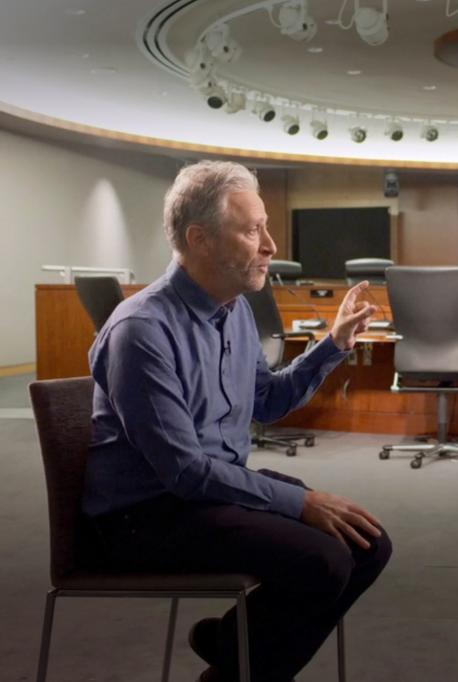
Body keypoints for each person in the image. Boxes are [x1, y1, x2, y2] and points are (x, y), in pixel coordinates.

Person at [82, 160, 391, 682]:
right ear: (199, 239)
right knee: (325, 561)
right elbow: (182, 472)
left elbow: (266, 401)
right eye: (252, 230)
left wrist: (333, 346)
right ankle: (236, 659)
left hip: (209, 494)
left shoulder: (234, 310)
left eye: (265, 227)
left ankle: (231, 650)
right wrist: (302, 502)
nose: (271, 244)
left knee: (368, 544)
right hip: (147, 515)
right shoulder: (142, 331)